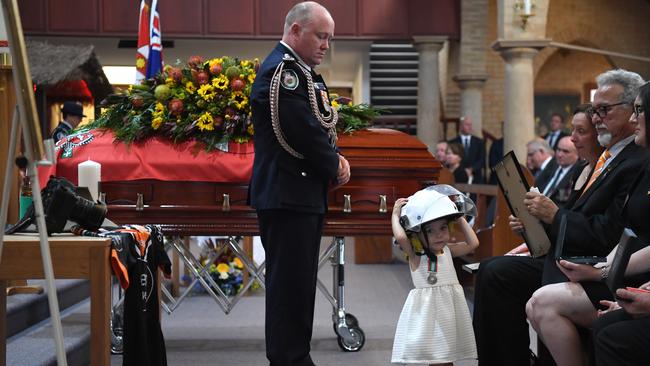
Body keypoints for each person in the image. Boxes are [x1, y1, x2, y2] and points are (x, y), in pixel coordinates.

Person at [473, 69, 647, 366]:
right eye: (594, 110)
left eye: (603, 110)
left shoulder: (635, 159)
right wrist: (537, 230)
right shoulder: (605, 159)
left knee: (500, 275)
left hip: (595, 261)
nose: (596, 118)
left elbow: (611, 231)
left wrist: (554, 218)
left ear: (633, 110)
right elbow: (582, 218)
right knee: (493, 269)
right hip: (581, 256)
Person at [248, 2, 350, 365]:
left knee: (298, 285)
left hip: (297, 194)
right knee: (290, 288)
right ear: (295, 31)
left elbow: (315, 123)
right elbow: (301, 129)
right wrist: (333, 164)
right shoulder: (284, 72)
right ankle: (289, 358)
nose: (326, 45)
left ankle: (293, 355)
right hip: (288, 195)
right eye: (320, 36)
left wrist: (332, 158)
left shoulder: (298, 71)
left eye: (330, 38)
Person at [526, 81, 650, 366]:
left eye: (639, 110)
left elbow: (610, 230)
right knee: (529, 296)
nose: (633, 118)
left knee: (547, 303)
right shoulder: (629, 164)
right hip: (617, 265)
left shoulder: (634, 162)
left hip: (624, 270)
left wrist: (604, 272)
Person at [391, 187, 478, 365]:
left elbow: (473, 243)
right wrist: (394, 215)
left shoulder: (447, 250)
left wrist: (458, 217)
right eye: (430, 231)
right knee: (438, 358)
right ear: (417, 234)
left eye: (443, 228)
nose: (438, 235)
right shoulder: (416, 254)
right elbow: (400, 237)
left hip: (449, 312)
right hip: (429, 315)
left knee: (447, 357)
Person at [541, 136, 581, 206]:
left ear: (577, 154)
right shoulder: (553, 164)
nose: (559, 155)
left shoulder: (578, 174)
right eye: (558, 150)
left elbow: (564, 201)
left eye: (565, 151)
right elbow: (538, 183)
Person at [448, 116, 485, 183]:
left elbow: (482, 160)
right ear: (461, 126)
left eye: (470, 125)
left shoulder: (479, 142)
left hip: (475, 177)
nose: (470, 127)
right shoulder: (452, 142)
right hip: (458, 177)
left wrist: (471, 169)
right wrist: (463, 171)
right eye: (467, 124)